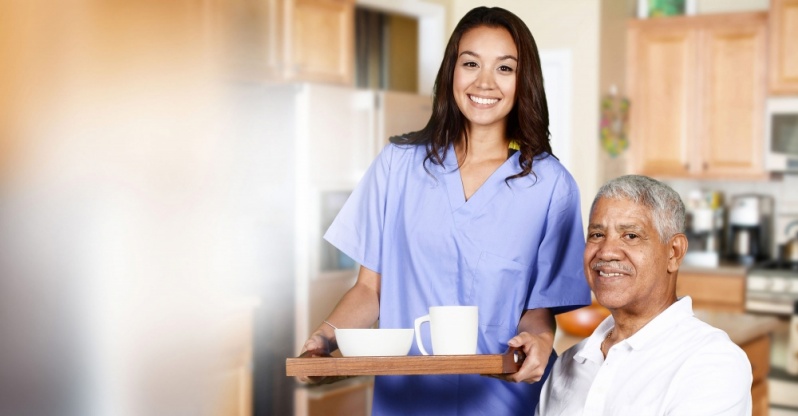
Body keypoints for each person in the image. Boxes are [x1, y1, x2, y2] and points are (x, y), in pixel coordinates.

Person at [298, 6, 591, 415]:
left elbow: (537, 311)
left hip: (501, 403)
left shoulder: (551, 186)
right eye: (470, 63)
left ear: (524, 81)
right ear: (451, 72)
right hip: (406, 401)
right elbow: (370, 289)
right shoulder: (398, 165)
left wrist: (541, 342)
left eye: (505, 68)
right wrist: (324, 338)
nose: (484, 82)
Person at [536, 175, 753, 415]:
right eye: (597, 235)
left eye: (631, 236)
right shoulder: (566, 365)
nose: (606, 252)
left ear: (674, 252)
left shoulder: (712, 361)